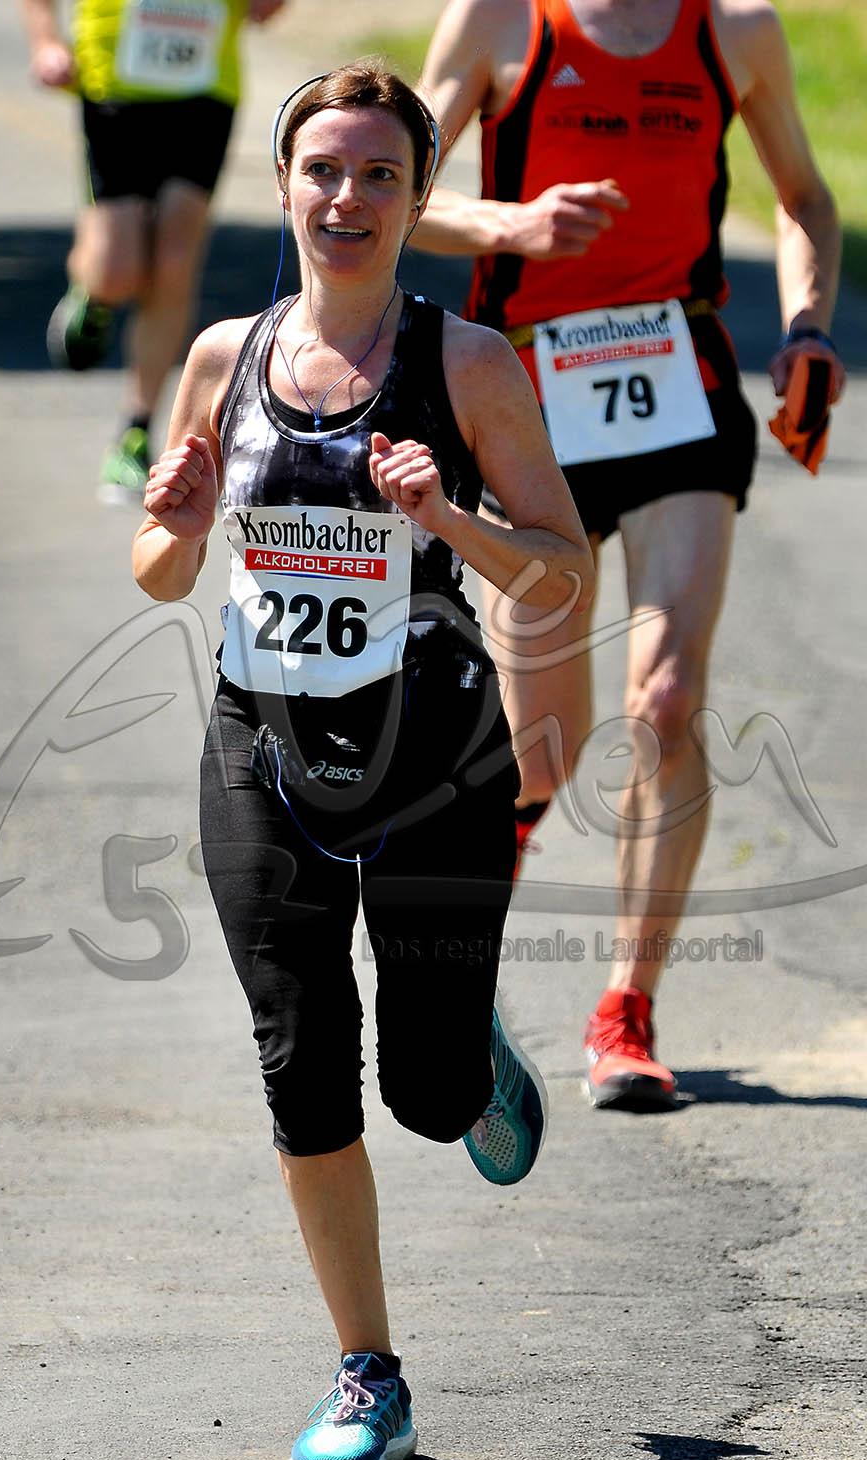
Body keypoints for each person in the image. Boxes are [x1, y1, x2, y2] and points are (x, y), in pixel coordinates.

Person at [133, 65, 594, 1460]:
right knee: (300, 1056)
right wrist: (176, 523)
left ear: (417, 195)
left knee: (427, 1094)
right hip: (261, 747)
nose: (347, 198)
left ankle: (471, 1061)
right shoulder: (223, 358)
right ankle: (368, 1373)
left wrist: (449, 514)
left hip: (435, 758)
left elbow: (561, 573)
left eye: (379, 174)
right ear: (285, 184)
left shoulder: (469, 365)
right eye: (323, 170)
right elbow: (159, 571)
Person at [414, 0, 845, 1110]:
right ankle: (459, 947)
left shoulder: (733, 30)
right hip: (524, 399)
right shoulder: (500, 22)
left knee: (666, 699)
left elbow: (805, 197)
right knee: (540, 754)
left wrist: (807, 323)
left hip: (675, 381)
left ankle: (625, 1011)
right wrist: (513, 225)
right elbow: (399, 194)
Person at [19, 0, 286, 502]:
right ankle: (93, 289)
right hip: (113, 83)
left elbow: (265, 11)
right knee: (116, 271)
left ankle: (136, 431)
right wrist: (46, 41)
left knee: (175, 264)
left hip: (204, 89)